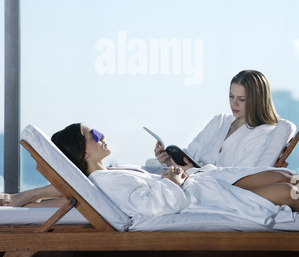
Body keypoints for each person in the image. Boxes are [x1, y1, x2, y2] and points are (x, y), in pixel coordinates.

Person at [1, 123, 299, 226]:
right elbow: (154, 205)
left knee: (287, 179)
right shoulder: (102, 182)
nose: (100, 134)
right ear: (85, 154)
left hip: (206, 179)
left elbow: (75, 190)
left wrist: (29, 195)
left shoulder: (107, 175)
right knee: (291, 194)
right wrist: (171, 183)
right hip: (201, 195)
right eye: (92, 134)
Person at [151, 69, 282, 171]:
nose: (234, 103)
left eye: (241, 99)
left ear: (257, 101)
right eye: (231, 96)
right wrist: (169, 160)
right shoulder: (220, 121)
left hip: (210, 188)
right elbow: (190, 154)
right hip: (189, 179)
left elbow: (240, 176)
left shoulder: (262, 133)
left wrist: (195, 172)